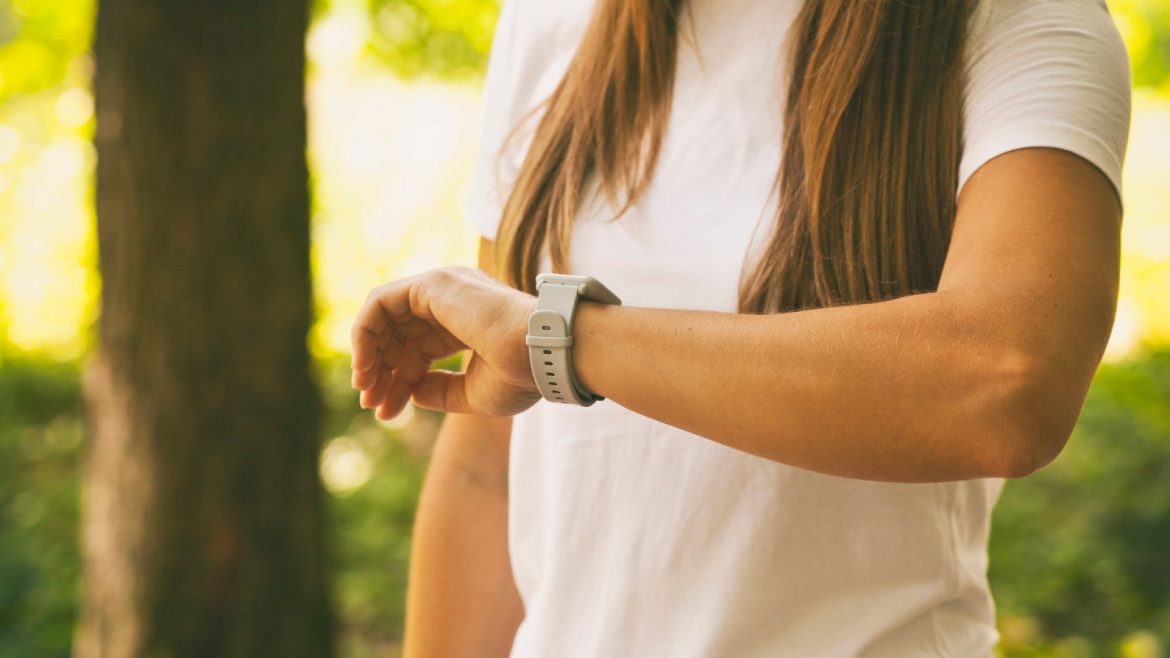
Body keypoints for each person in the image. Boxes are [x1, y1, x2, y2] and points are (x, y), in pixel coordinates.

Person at [350, 0, 1132, 655]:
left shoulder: (1017, 18)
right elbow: (492, 459)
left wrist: (564, 339)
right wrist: (541, 343)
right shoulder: (556, 18)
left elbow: (1005, 377)